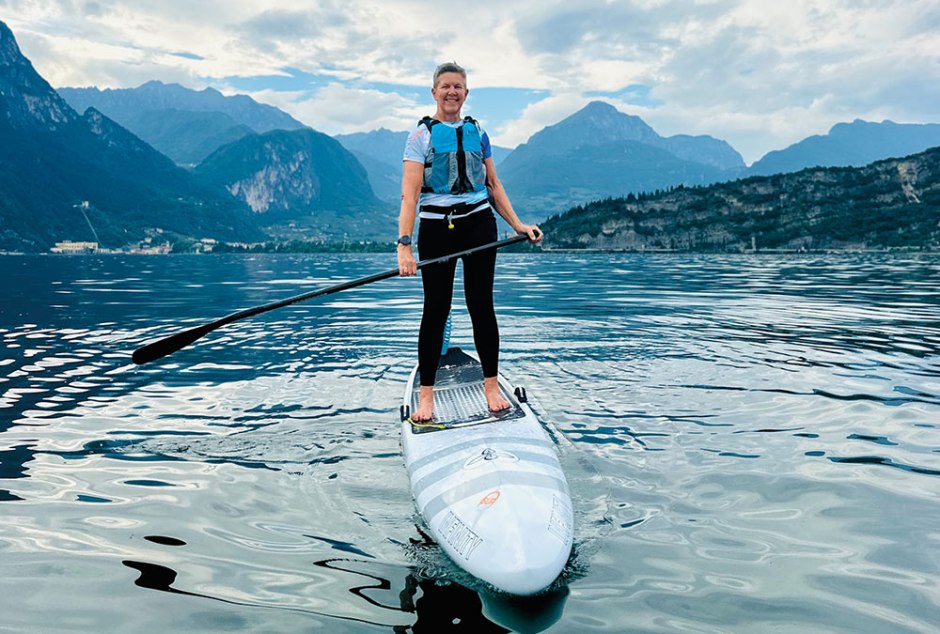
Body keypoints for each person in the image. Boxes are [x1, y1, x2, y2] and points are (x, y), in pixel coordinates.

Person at [397, 61, 542, 422]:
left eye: (458, 86)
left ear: (466, 92)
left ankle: (490, 386)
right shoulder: (421, 137)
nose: (451, 92)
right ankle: (426, 396)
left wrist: (519, 225)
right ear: (434, 92)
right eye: (445, 86)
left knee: (482, 306)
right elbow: (410, 196)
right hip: (436, 229)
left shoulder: (478, 132)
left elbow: (493, 186)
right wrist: (404, 246)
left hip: (478, 225)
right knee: (436, 310)